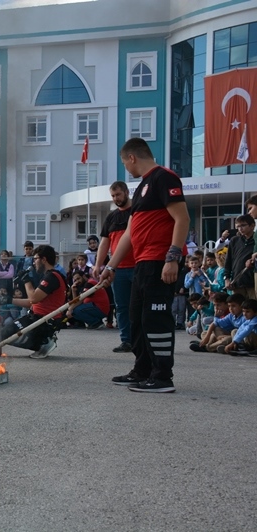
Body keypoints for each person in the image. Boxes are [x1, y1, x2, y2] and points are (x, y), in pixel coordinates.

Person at [100, 137, 189, 393]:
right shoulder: (141, 188)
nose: (126, 168)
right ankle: (143, 369)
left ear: (132, 158)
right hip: (142, 262)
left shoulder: (164, 177)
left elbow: (182, 218)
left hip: (159, 261)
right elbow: (129, 233)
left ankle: (162, 376)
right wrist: (111, 267)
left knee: (155, 317)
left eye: (124, 163)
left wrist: (172, 258)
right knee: (137, 318)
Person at [4, 244, 66, 358]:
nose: (34, 263)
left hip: (43, 322)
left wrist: (26, 280)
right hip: (37, 318)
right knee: (4, 331)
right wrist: (8, 300)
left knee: (4, 333)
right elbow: (32, 303)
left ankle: (43, 342)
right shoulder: (49, 276)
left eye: (36, 259)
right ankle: (41, 342)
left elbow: (33, 298)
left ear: (43, 259)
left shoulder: (51, 277)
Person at [224, 214, 256, 299]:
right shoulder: (235, 240)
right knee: (238, 309)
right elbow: (228, 261)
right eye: (238, 226)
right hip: (237, 283)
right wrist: (226, 278)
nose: (240, 229)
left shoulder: (256, 239)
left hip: (253, 283)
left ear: (252, 225)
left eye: (243, 225)